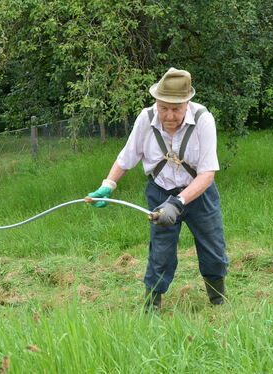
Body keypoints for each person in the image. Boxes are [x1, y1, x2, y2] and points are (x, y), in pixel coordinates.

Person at [86, 67, 229, 311]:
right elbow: (127, 156)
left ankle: (218, 301)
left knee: (213, 248)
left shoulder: (204, 120)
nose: (169, 115)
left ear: (187, 103)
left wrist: (179, 202)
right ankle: (151, 307)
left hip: (199, 195)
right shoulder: (145, 118)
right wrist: (107, 185)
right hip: (160, 192)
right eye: (164, 108)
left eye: (176, 109)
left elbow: (207, 174)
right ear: (156, 102)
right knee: (160, 252)